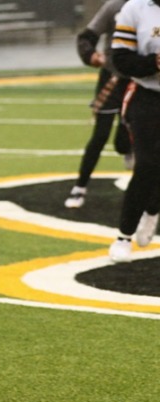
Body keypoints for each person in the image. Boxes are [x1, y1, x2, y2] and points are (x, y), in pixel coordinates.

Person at [64, 0, 132, 209]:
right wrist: (90, 55)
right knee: (100, 136)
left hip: (140, 81)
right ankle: (80, 186)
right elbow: (87, 36)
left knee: (129, 140)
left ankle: (131, 154)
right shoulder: (114, 7)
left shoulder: (151, 9)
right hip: (112, 77)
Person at [108, 0, 160, 261]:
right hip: (147, 94)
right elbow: (121, 59)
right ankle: (124, 235)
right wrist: (155, 62)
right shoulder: (136, 8)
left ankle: (153, 208)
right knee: (147, 164)